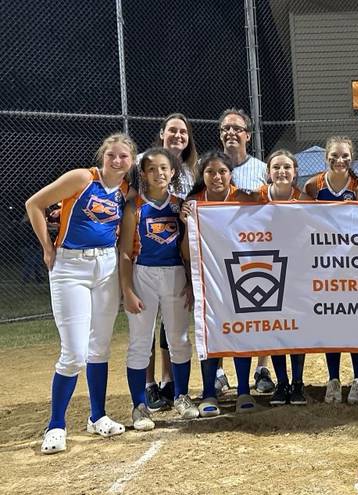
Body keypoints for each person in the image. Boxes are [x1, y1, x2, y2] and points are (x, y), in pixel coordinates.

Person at [26, 133, 135, 454]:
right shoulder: (82, 177)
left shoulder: (125, 191)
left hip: (105, 266)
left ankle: (97, 416)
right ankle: (56, 425)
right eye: (111, 155)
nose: (117, 161)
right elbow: (34, 204)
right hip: (70, 266)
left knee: (99, 347)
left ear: (131, 162)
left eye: (123, 157)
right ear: (103, 156)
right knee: (74, 352)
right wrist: (47, 247)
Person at [119, 148, 198, 430]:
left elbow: (188, 250)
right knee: (141, 341)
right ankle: (139, 405)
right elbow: (126, 253)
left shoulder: (180, 205)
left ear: (173, 172)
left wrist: (190, 282)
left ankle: (181, 395)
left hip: (175, 273)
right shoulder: (135, 207)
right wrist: (127, 290)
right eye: (152, 169)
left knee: (179, 338)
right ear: (143, 173)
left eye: (164, 168)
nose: (159, 173)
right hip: (144, 274)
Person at [182, 151, 257, 417]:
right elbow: (186, 253)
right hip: (208, 279)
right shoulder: (194, 204)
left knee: (241, 330)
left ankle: (244, 389)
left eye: (222, 172)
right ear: (202, 176)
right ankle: (208, 392)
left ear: (230, 174)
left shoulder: (242, 198)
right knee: (210, 332)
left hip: (239, 274)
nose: (217, 177)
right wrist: (188, 224)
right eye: (211, 172)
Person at [304, 136, 358, 404]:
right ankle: (333, 380)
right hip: (324, 264)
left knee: (355, 320)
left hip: (354, 265)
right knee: (331, 321)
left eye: (345, 155)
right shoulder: (313, 186)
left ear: (352, 157)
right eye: (334, 155)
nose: (340, 160)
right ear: (326, 157)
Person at [216, 108, 274, 395]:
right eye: (226, 128)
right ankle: (219, 371)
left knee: (261, 307)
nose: (231, 133)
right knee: (224, 310)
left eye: (237, 129)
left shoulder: (263, 169)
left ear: (248, 135)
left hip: (257, 249)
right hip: (221, 251)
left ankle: (262, 368)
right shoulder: (211, 168)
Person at [253, 150, 308, 406]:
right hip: (268, 270)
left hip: (298, 271)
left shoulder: (304, 199)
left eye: (287, 167)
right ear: (268, 172)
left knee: (296, 329)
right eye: (276, 167)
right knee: (276, 328)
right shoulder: (257, 198)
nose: (282, 171)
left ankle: (297, 383)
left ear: (295, 171)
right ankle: (282, 382)